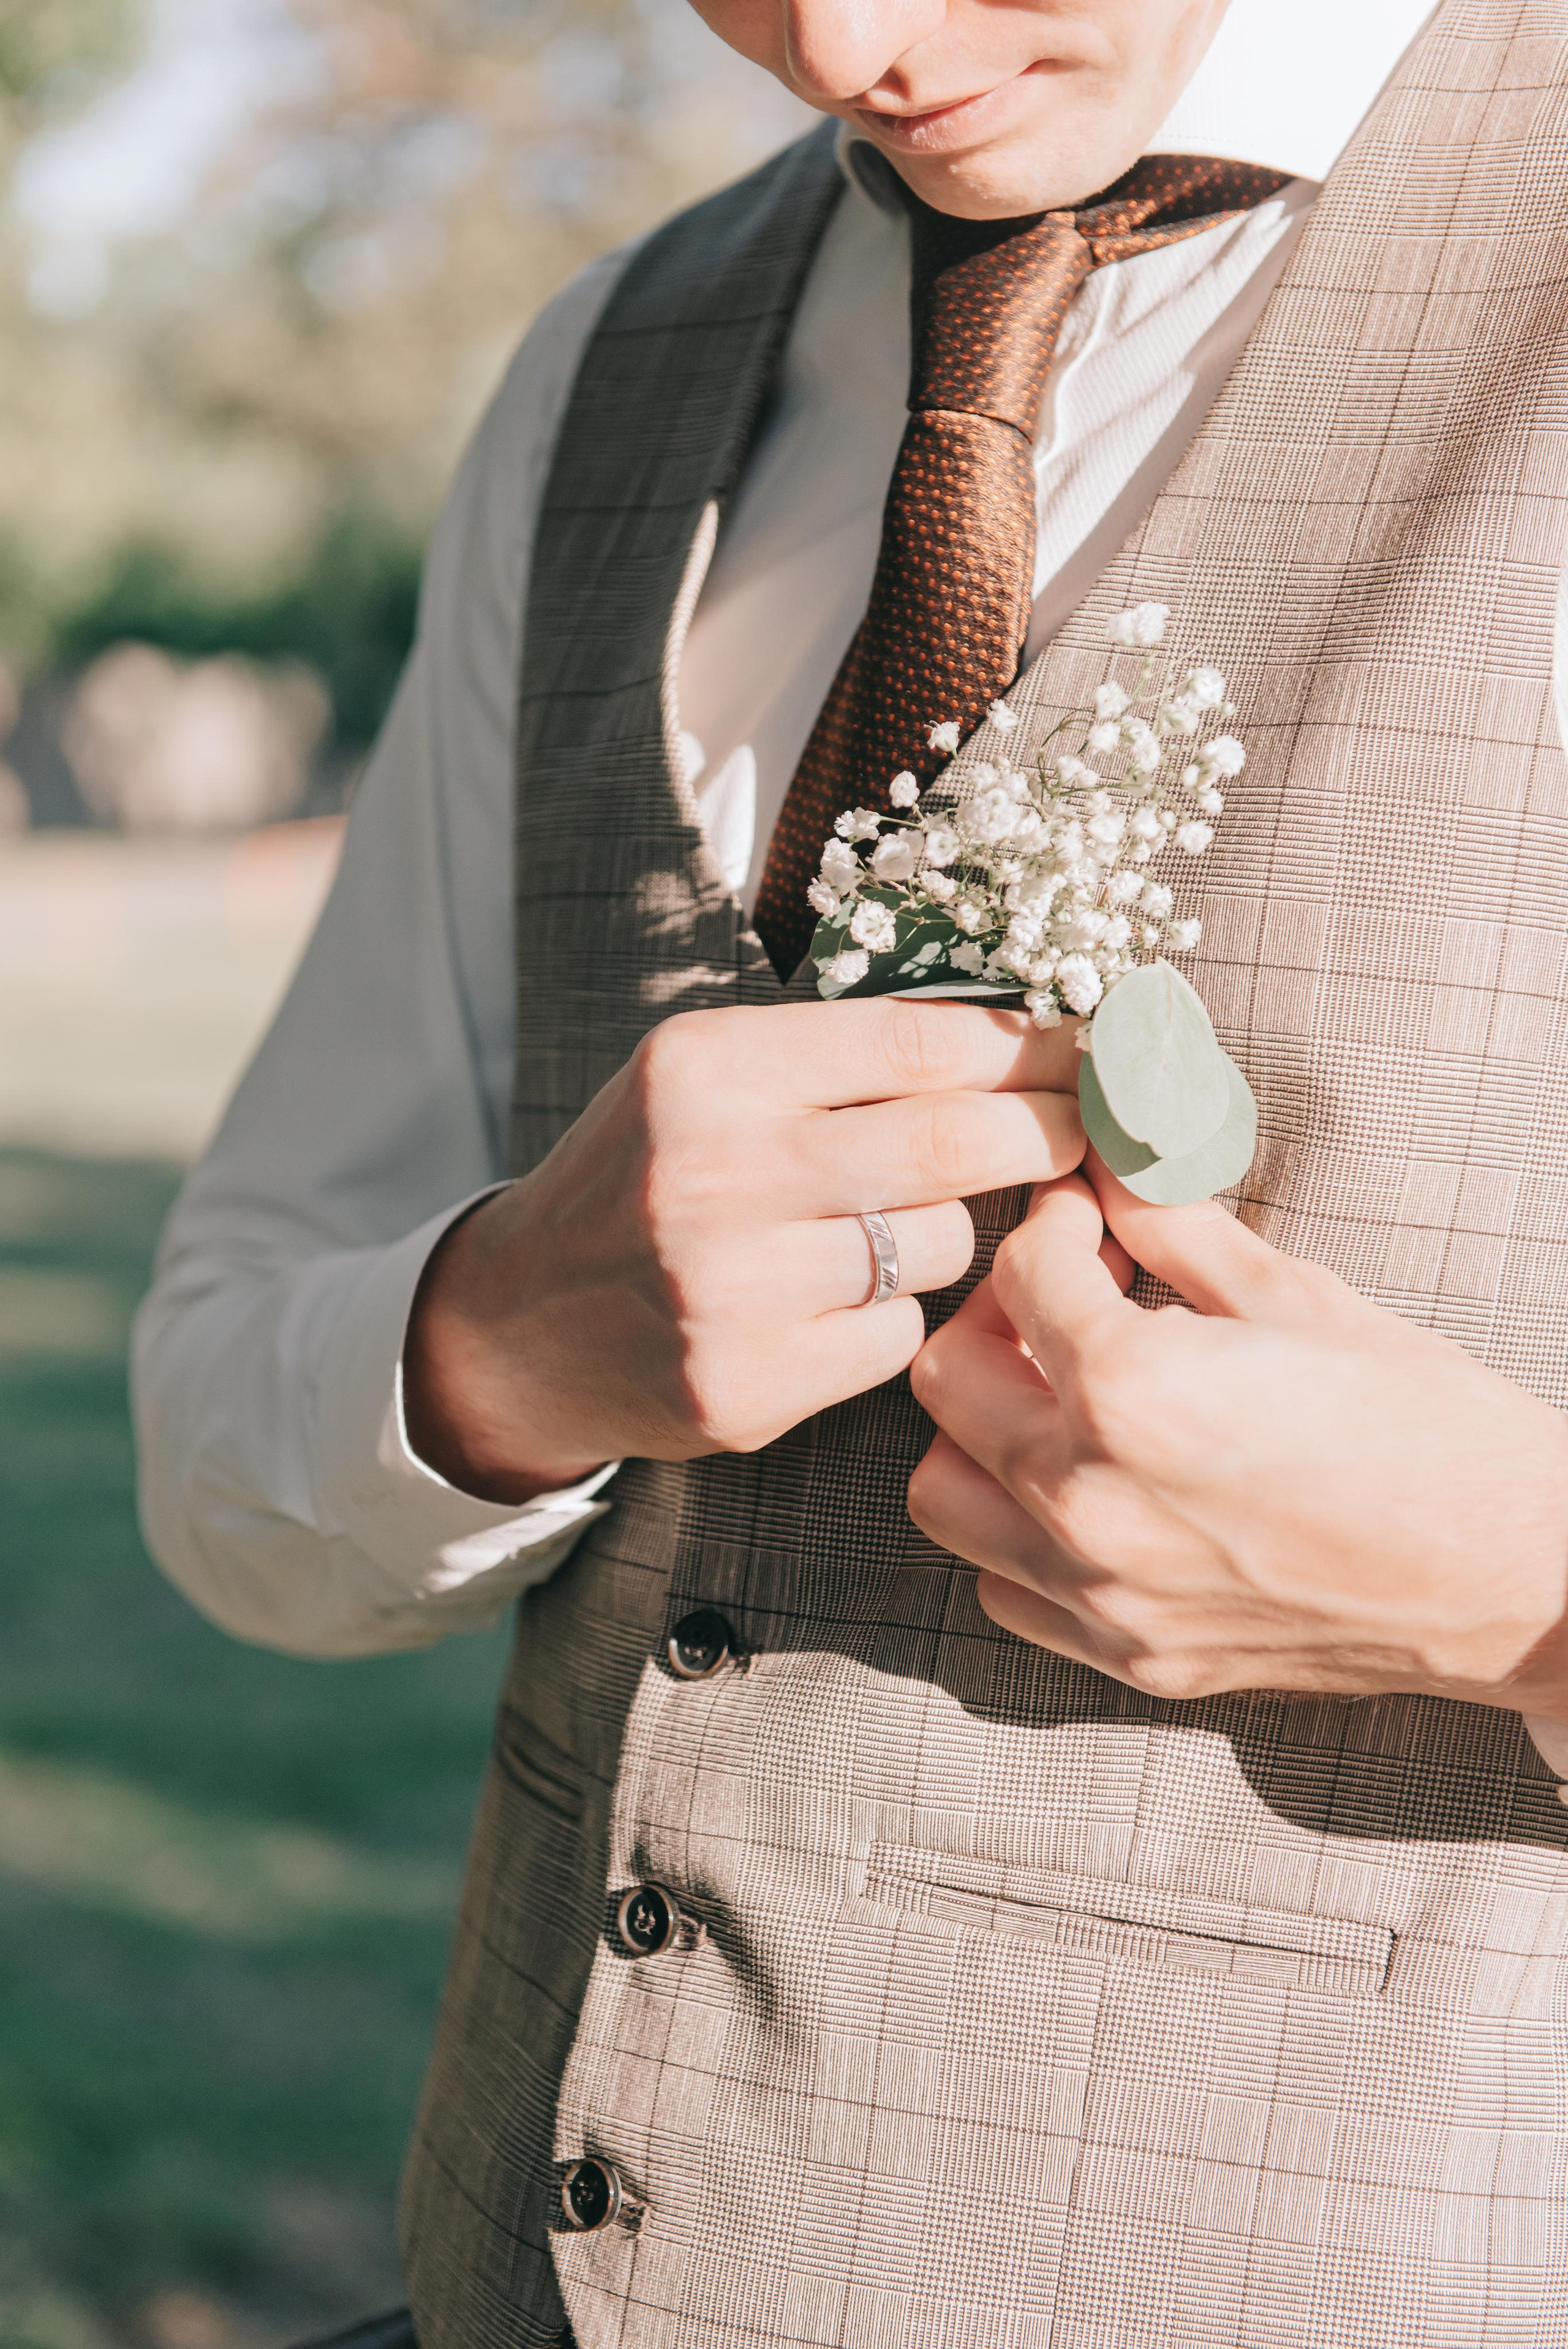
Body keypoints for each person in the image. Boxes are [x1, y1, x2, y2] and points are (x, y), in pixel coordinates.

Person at [133, 0, 1568, 2341]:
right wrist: (484, 1342)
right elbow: (218, 1414)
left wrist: (1527, 1578)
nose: (850, 45)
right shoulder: (609, 378)